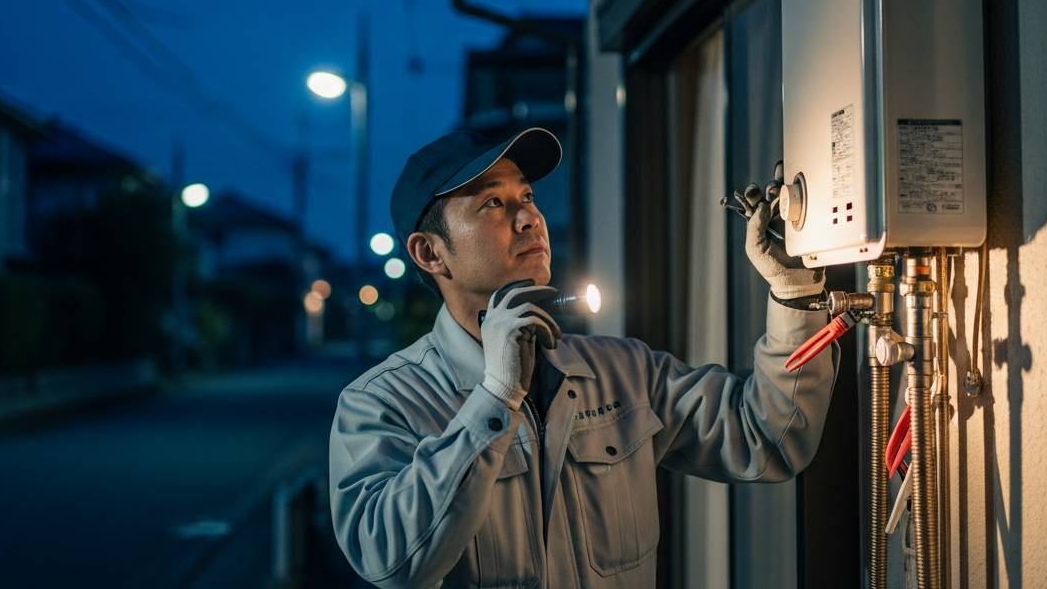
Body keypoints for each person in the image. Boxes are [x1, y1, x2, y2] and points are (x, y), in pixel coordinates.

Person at [328, 127, 837, 588]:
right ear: (430, 253)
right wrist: (496, 397)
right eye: (492, 204)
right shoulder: (381, 403)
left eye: (526, 196)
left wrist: (793, 294)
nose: (529, 217)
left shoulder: (621, 371)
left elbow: (770, 438)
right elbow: (394, 562)